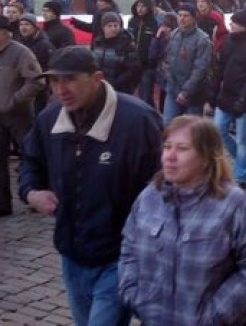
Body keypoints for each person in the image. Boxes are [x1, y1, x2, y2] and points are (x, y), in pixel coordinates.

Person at [18, 46, 162, 325]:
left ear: (96, 78)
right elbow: (30, 161)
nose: (61, 89)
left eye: (70, 79)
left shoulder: (138, 119)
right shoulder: (49, 119)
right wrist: (31, 192)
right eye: (54, 81)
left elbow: (165, 182)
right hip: (71, 254)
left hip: (121, 256)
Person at [119, 116, 246, 326]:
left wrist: (214, 316)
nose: (170, 156)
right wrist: (135, 296)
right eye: (167, 147)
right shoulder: (149, 197)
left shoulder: (233, 205)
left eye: (182, 149)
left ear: (205, 158)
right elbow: (129, 248)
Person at [0, 15, 44, 217]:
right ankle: (0, 204)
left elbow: (37, 81)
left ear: (4, 33)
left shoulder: (21, 53)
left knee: (31, 154)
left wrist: (15, 100)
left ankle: (39, 195)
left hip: (18, 115)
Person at [211, 10, 246, 188]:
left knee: (243, 138)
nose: (231, 25)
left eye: (234, 22)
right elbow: (220, 67)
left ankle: (241, 175)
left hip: (245, 99)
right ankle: (245, 158)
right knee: (219, 130)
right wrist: (213, 90)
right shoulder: (228, 41)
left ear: (244, 25)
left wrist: (243, 100)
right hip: (226, 95)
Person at [163, 3, 213, 124]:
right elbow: (167, 60)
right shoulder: (174, 34)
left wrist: (186, 92)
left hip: (193, 94)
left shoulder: (202, 40)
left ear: (193, 18)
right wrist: (170, 82)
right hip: (173, 89)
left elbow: (200, 69)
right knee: (168, 125)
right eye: (180, 15)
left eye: (186, 16)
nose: (182, 19)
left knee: (193, 130)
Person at [91, 13, 141, 95]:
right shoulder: (97, 42)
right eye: (109, 26)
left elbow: (133, 69)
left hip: (120, 89)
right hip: (100, 87)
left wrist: (115, 83)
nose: (113, 29)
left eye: (116, 25)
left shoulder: (127, 44)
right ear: (103, 28)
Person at [18, 13, 55, 115]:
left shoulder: (45, 45)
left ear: (35, 27)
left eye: (27, 24)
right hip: (24, 90)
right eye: (21, 25)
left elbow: (50, 67)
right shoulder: (20, 43)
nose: (23, 28)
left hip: (40, 92)